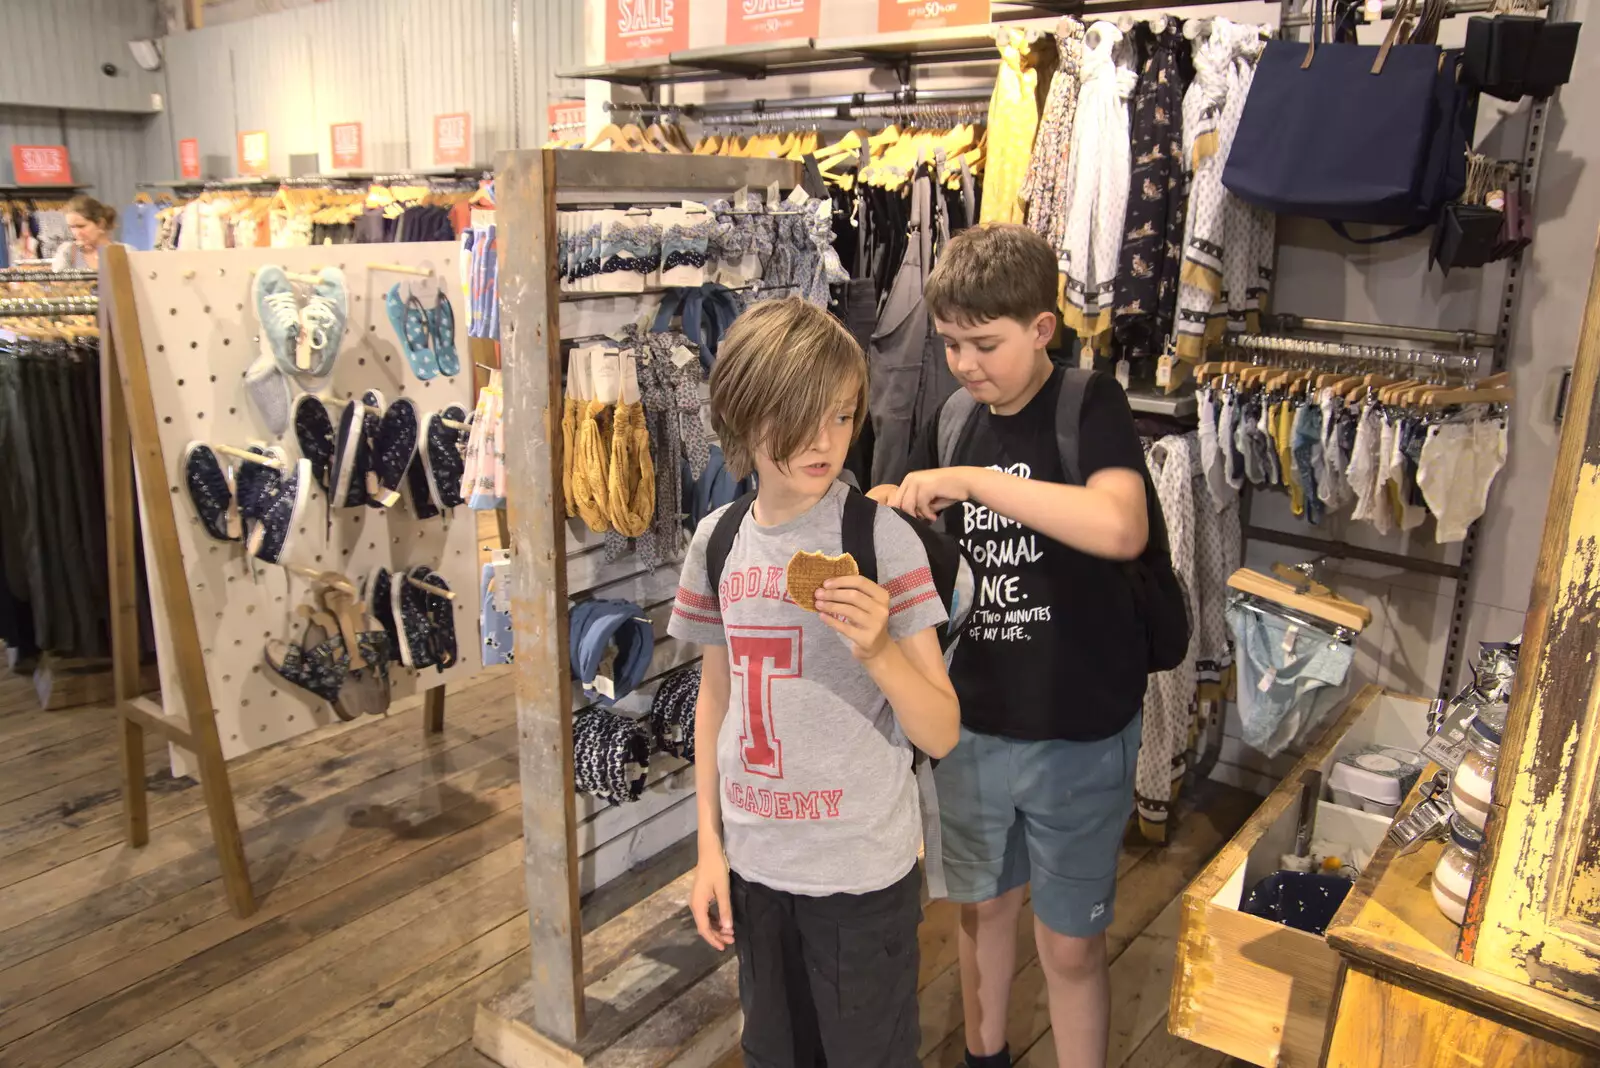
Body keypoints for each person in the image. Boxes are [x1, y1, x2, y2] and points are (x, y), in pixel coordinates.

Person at [870, 224, 1151, 1068]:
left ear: (1042, 328)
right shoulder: (957, 418)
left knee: (1070, 947)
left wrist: (975, 484)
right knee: (982, 915)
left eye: (984, 344)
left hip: (1080, 729)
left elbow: (1120, 525)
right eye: (950, 342)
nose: (963, 363)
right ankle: (983, 1056)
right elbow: (924, 535)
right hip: (976, 726)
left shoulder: (1087, 405)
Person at [670, 296, 960, 1067]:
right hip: (758, 867)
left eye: (840, 416)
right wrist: (709, 847)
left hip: (861, 877)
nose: (824, 441)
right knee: (771, 1052)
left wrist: (880, 653)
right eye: (799, 417)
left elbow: (941, 730)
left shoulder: (881, 541)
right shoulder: (719, 540)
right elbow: (717, 699)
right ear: (742, 412)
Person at [53, 195, 117, 271]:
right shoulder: (67, 251)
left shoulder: (124, 252)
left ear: (100, 224)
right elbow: (57, 281)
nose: (76, 233)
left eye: (81, 226)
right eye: (72, 227)